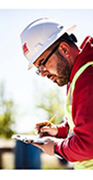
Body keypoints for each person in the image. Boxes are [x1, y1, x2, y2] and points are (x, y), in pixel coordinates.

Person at [20, 17, 93, 169]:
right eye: (38, 70)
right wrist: (58, 131)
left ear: (64, 49)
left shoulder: (87, 78)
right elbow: (85, 125)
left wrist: (55, 147)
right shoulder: (76, 76)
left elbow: (87, 145)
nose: (43, 74)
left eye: (42, 64)